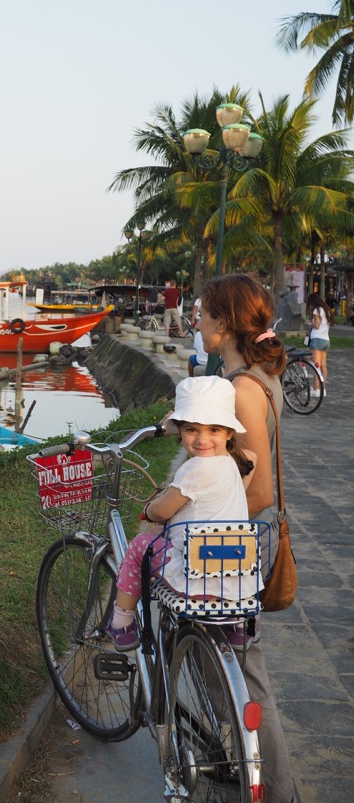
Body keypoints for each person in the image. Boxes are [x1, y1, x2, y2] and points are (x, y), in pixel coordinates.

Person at [198, 273, 297, 803]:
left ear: (226, 321)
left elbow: (257, 490)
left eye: (204, 310)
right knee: (230, 659)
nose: (197, 316)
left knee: (243, 670)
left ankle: (275, 789)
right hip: (242, 537)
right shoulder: (249, 376)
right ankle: (243, 760)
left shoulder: (244, 388)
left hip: (237, 542)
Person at [107, 376, 256, 652]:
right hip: (236, 580)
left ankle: (122, 622)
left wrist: (148, 510)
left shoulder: (196, 468)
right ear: (181, 430)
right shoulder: (231, 464)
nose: (201, 439)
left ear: (228, 432)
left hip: (195, 577)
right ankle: (235, 627)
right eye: (191, 430)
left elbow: (164, 509)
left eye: (213, 429)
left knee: (140, 546)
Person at [306, 292, 334, 396]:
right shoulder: (327, 310)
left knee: (316, 365)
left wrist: (310, 323)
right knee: (323, 366)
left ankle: (316, 389)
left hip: (317, 339)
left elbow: (317, 325)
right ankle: (323, 389)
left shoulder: (316, 310)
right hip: (326, 340)